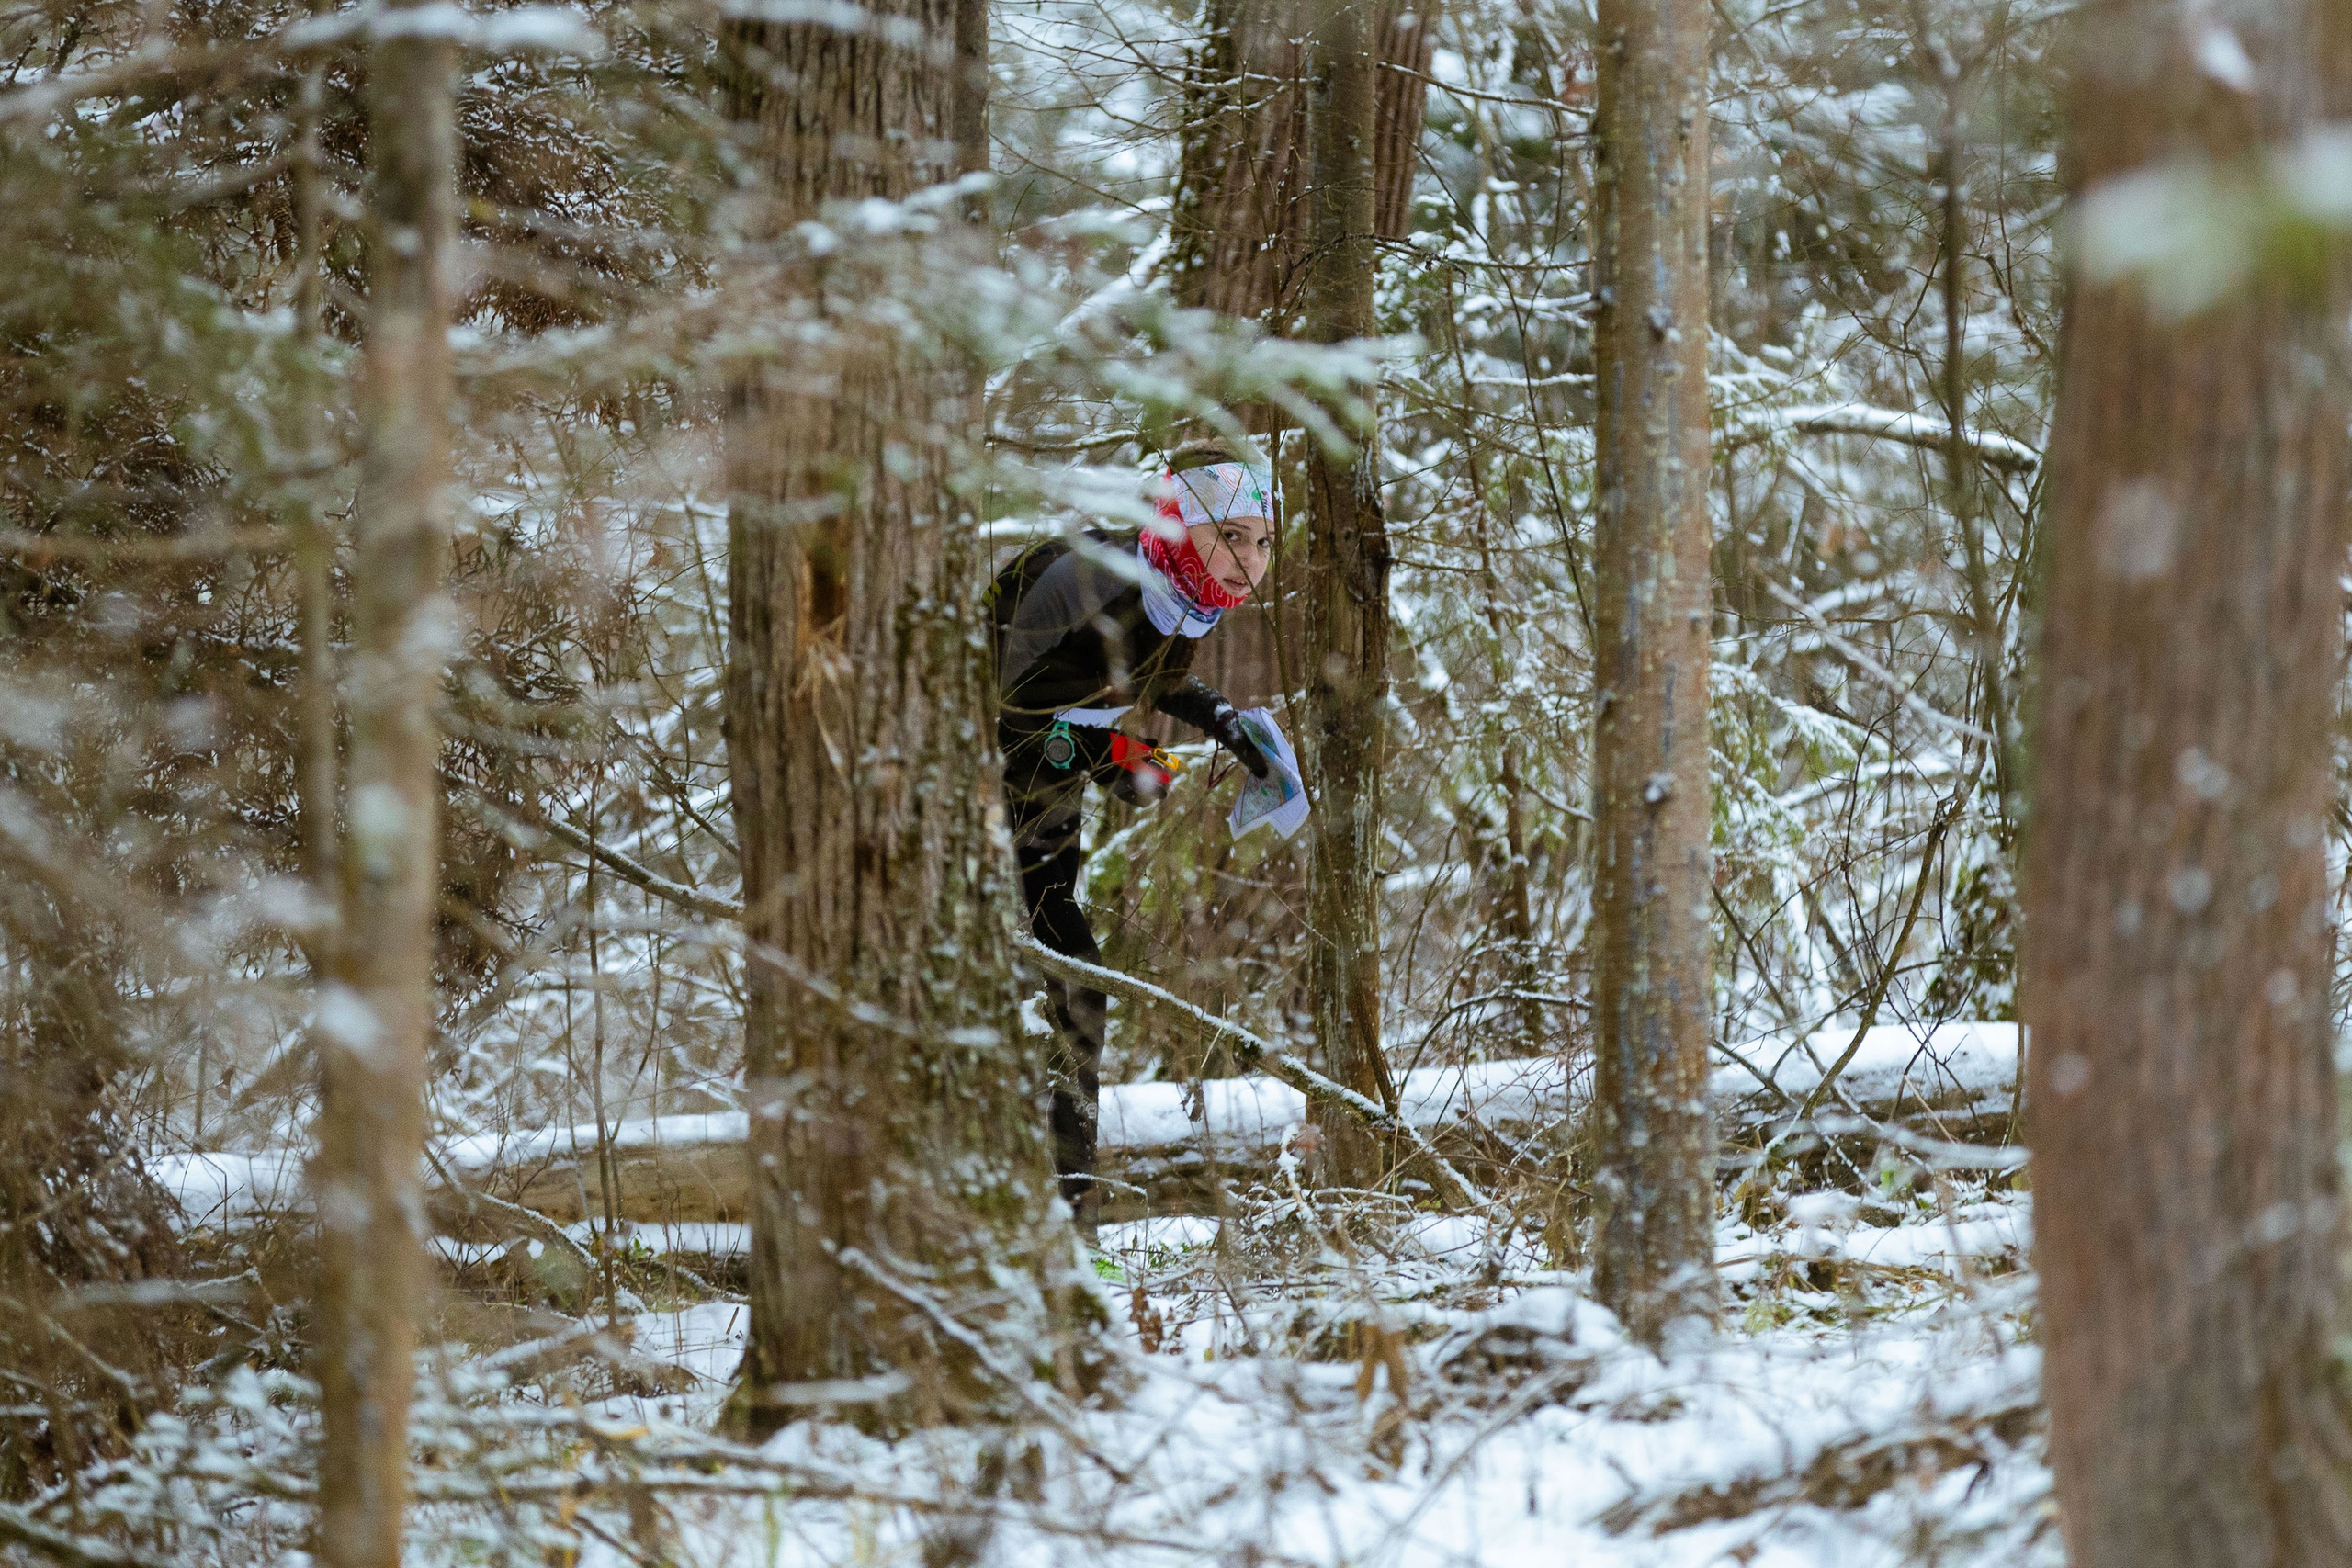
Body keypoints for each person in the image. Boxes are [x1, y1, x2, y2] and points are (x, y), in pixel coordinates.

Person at [989, 442, 1278, 1233]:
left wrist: (1222, 722)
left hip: (1045, 772)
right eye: (1231, 536)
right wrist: (1104, 753)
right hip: (975, 773)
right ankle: (1058, 1202)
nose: (1250, 560)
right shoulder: (1104, 577)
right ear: (1180, 525)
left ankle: (1067, 1208)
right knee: (1066, 973)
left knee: (1079, 977)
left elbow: (1151, 674)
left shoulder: (1173, 595)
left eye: (1262, 540)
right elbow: (1000, 709)